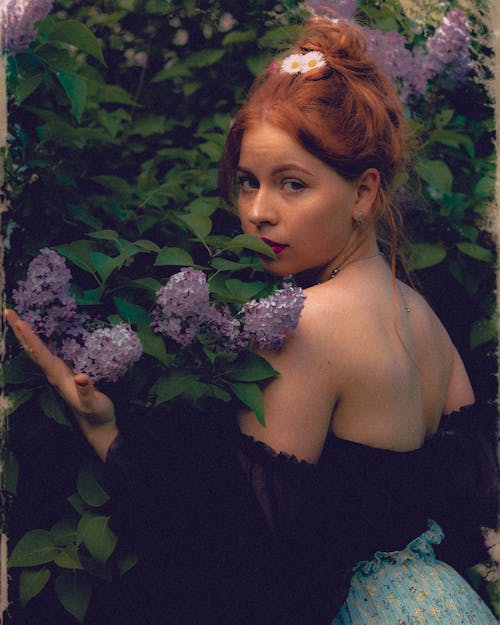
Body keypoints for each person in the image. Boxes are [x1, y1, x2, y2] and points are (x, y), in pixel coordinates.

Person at [6, 15, 498, 625]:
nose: (259, 212)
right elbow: (453, 504)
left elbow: (234, 560)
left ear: (365, 193)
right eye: (247, 183)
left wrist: (107, 432)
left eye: (292, 184)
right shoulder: (423, 317)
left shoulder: (310, 325)